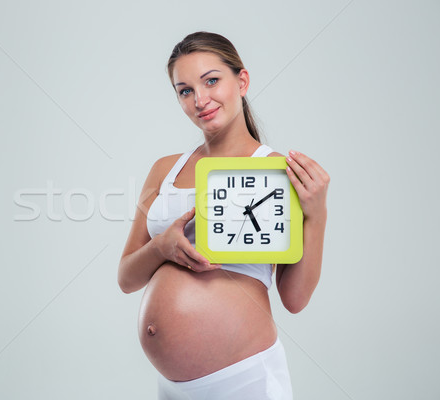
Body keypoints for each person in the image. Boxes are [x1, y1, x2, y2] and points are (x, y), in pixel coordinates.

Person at [118, 31, 329, 400]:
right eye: (184, 90)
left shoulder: (277, 170)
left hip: (243, 380)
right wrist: (161, 249)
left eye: (211, 81)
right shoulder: (164, 170)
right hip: (171, 387)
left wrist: (317, 214)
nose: (200, 100)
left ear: (242, 81)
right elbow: (126, 278)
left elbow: (294, 299)